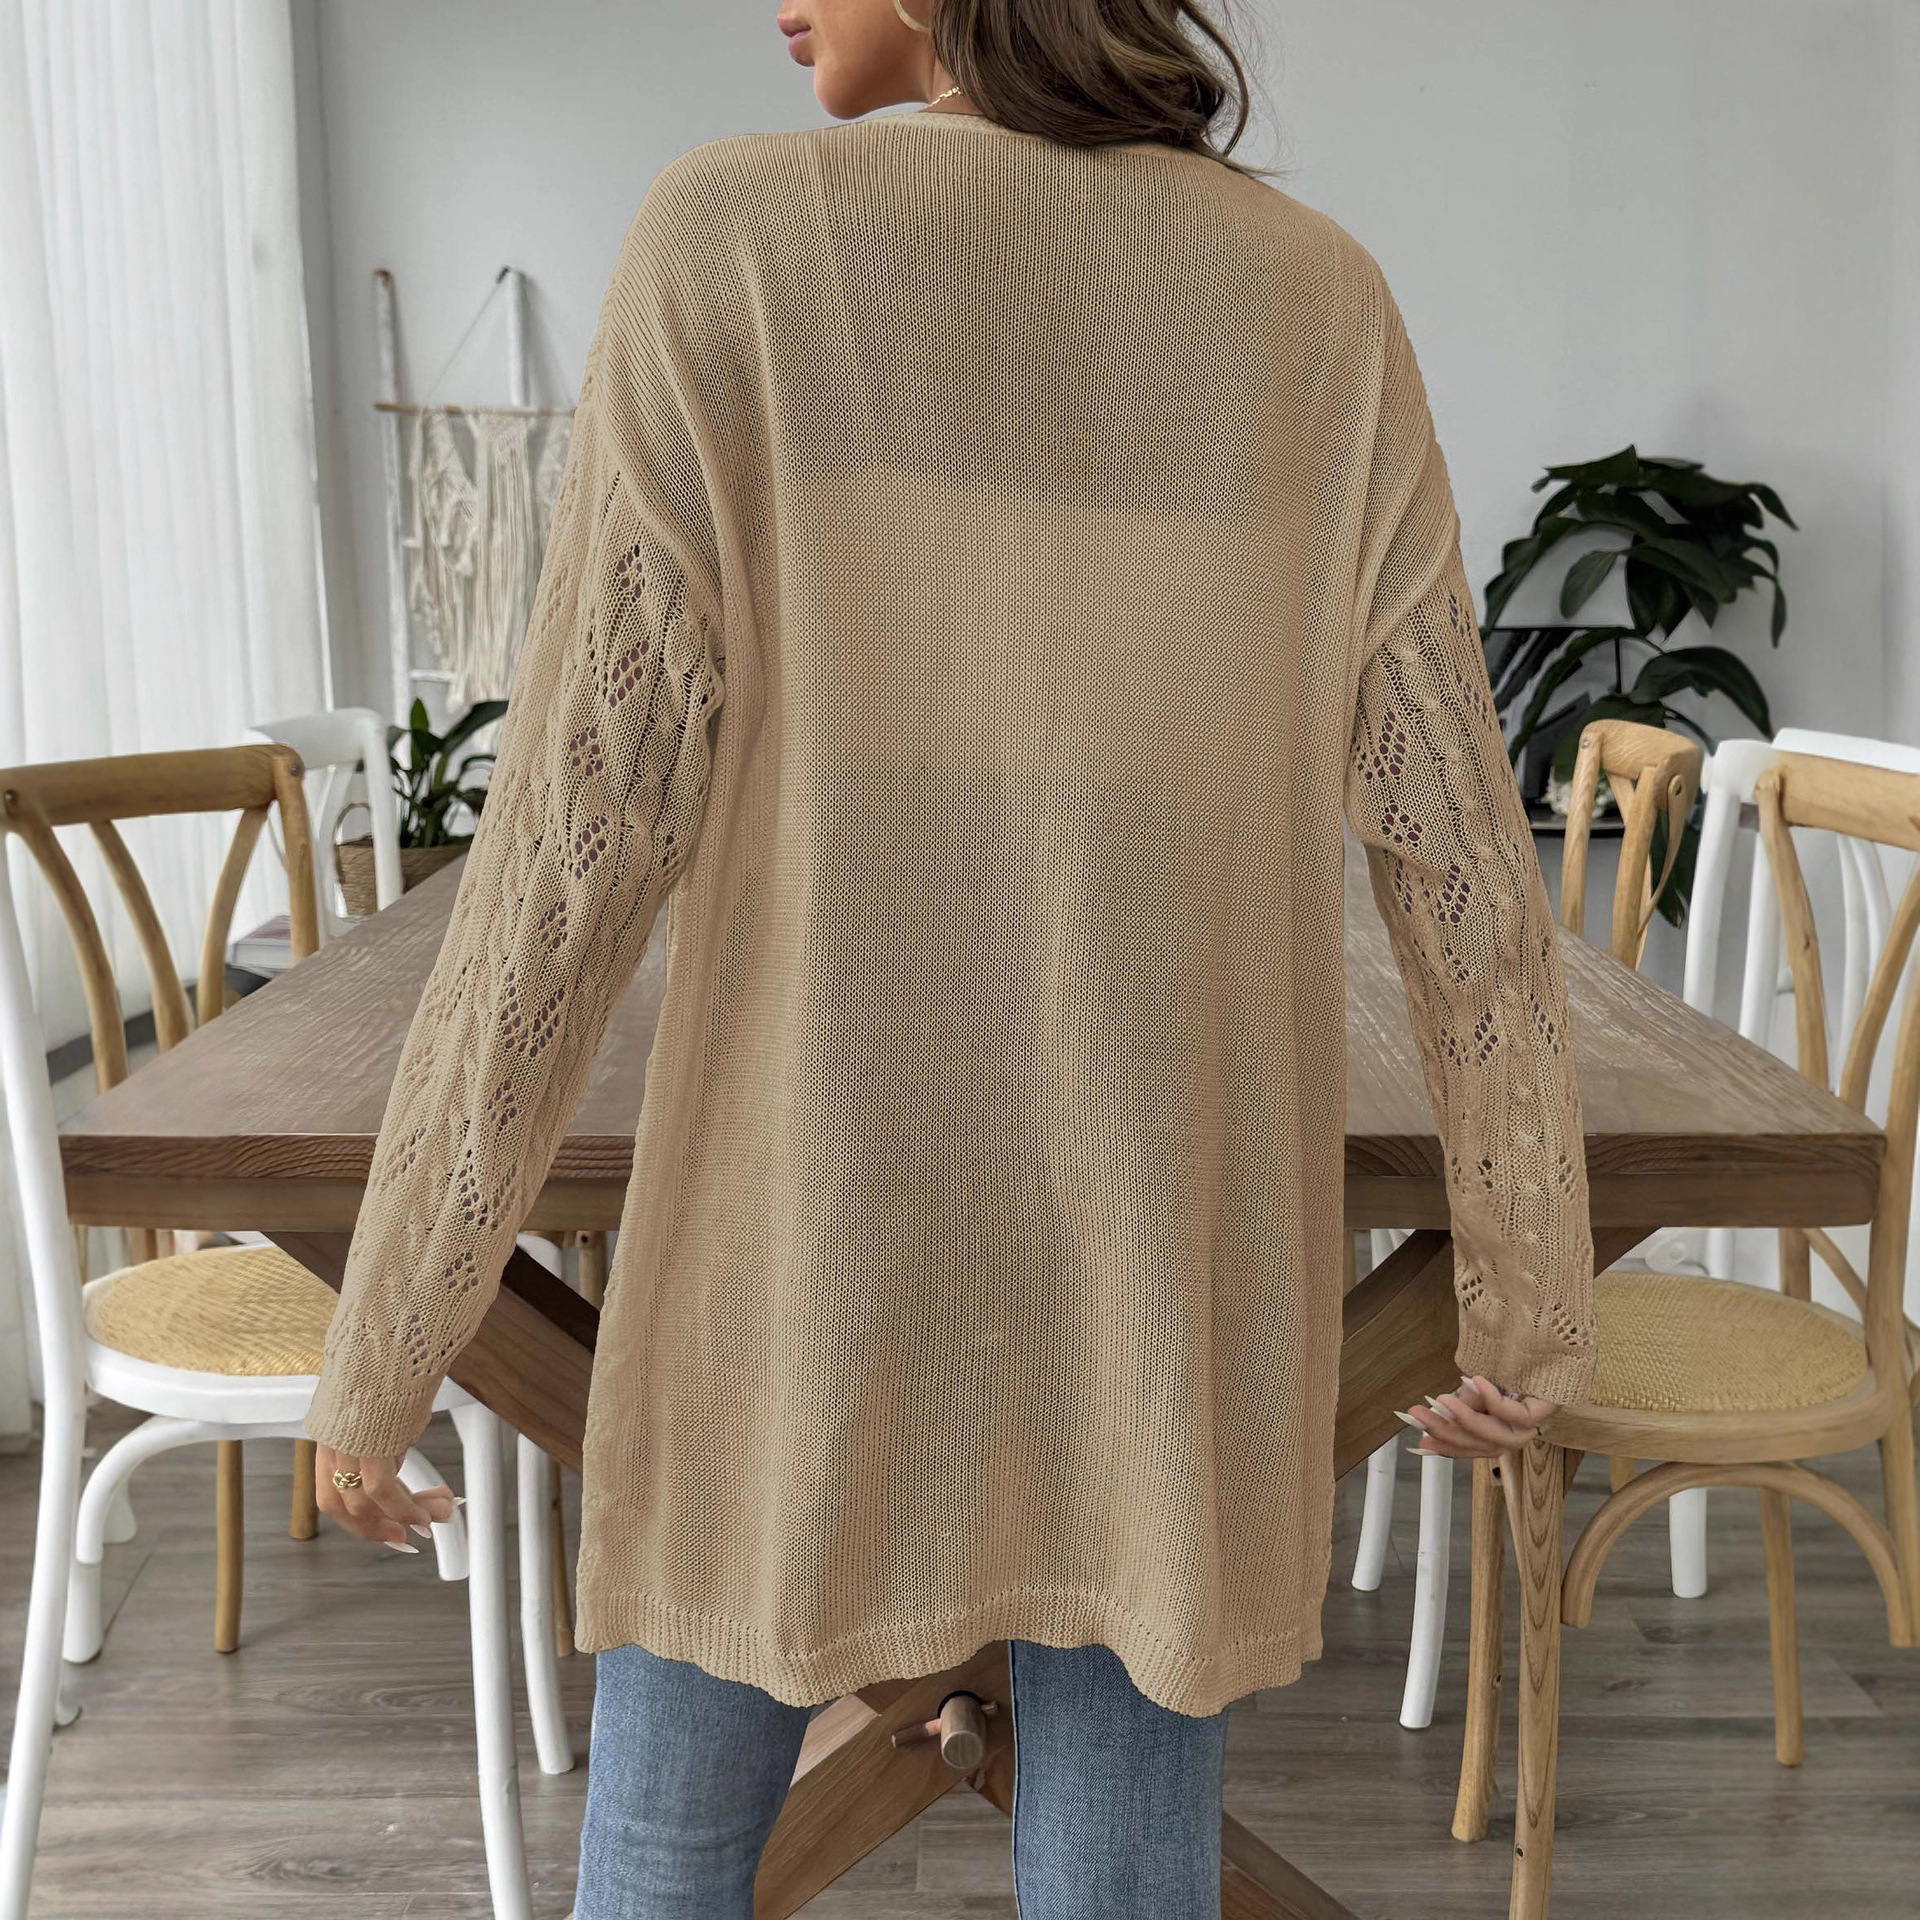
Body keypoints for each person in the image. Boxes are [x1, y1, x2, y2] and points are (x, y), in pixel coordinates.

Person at [303, 2, 1598, 1914]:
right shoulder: (1313, 297)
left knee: (668, 1848)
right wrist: (1528, 1290)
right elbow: (1461, 858)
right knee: (1123, 1867)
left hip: (803, 1244)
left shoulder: (732, 243)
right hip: (1163, 1258)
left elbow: (572, 853)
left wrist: (390, 1329)